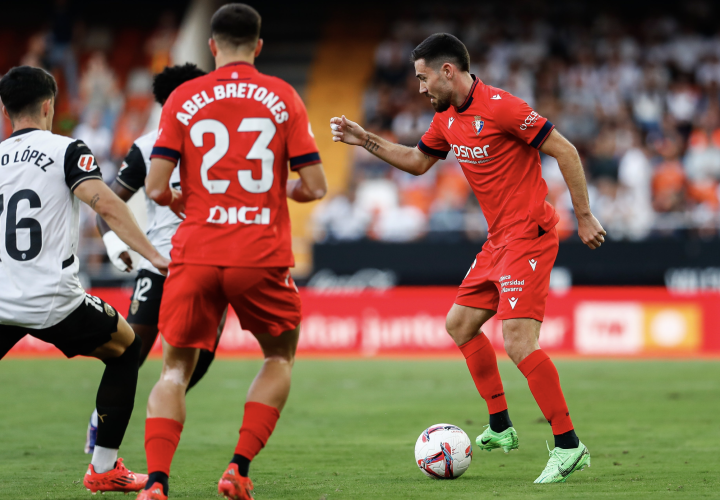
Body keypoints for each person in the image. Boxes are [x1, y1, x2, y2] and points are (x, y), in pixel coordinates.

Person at [330, 33, 606, 484]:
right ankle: (501, 427)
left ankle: (568, 445)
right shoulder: (447, 118)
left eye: (423, 79)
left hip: (529, 237)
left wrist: (585, 215)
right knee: (459, 324)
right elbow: (419, 162)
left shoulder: (502, 107)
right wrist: (366, 141)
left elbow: (566, 150)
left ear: (447, 71)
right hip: (498, 241)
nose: (420, 89)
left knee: (518, 341)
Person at [137, 4, 328, 500]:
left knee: (174, 370)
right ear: (259, 46)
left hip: (196, 248)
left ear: (212, 45)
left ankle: (156, 482)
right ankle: (237, 468)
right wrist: (275, 193)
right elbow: (315, 186)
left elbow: (155, 188)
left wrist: (185, 201)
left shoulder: (182, 97)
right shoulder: (284, 96)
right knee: (279, 358)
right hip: (259, 252)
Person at [0, 66, 170, 493]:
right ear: (48, 105)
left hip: (1, 296)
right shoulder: (66, 150)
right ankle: (103, 468)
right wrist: (153, 255)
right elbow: (106, 204)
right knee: (126, 350)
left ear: (5, 111)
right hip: (50, 298)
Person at [84, 63, 223, 456]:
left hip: (212, 262)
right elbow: (107, 204)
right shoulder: (147, 147)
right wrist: (115, 244)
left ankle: (160, 404)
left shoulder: (221, 140)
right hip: (159, 264)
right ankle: (102, 420)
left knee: (204, 358)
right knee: (132, 349)